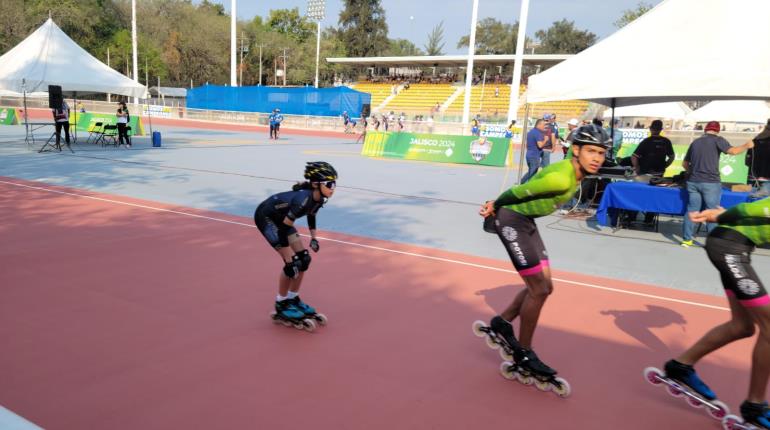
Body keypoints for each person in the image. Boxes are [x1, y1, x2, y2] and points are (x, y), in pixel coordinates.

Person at [479, 125, 611, 378]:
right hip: (511, 220)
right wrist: (494, 204)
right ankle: (524, 352)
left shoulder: (576, 174)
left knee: (545, 287)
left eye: (601, 153)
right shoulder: (561, 178)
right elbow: (518, 190)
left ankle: (502, 322)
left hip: (526, 222)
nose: (596, 158)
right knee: (538, 289)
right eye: (591, 151)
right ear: (576, 150)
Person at [659, 197, 770, 429]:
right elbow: (746, 209)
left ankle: (681, 366)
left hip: (734, 249)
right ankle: (755, 406)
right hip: (729, 248)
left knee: (743, 327)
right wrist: (717, 216)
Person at [253, 161, 338, 323]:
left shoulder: (319, 198)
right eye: (329, 184)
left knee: (304, 260)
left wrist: (314, 237)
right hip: (267, 217)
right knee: (291, 265)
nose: (333, 188)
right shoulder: (302, 200)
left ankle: (293, 298)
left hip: (283, 220)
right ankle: (281, 303)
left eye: (334, 184)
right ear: (316, 184)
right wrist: (287, 257)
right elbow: (284, 230)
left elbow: (311, 215)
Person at [681, 121, 754, 247]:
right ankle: (713, 243)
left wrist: (692, 173)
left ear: (705, 129)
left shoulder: (695, 142)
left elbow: (685, 164)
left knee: (692, 210)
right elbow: (733, 152)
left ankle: (687, 240)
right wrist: (746, 145)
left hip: (693, 182)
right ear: (717, 130)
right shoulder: (717, 139)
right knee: (712, 212)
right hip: (710, 182)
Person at [520, 119, 548, 184]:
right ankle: (527, 188)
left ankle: (521, 183)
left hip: (529, 155)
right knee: (532, 174)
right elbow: (540, 145)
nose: (544, 127)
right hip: (534, 157)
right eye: (544, 125)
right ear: (539, 124)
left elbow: (527, 145)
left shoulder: (531, 132)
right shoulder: (538, 133)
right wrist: (545, 140)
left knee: (530, 172)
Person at [747, 120, 770, 195]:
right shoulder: (758, 138)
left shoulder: (756, 138)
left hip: (754, 175)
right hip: (765, 177)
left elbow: (748, 158)